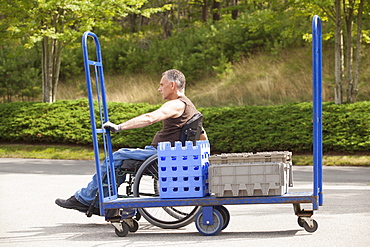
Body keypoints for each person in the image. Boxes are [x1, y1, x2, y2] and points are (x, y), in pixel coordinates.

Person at [55, 69, 207, 214]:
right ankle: (98, 201)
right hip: (166, 154)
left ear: (172, 85)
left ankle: (84, 198)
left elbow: (150, 118)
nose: (159, 89)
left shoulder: (176, 104)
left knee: (117, 157)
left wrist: (119, 127)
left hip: (160, 155)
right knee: (120, 162)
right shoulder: (191, 107)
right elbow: (202, 134)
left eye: (161, 85)